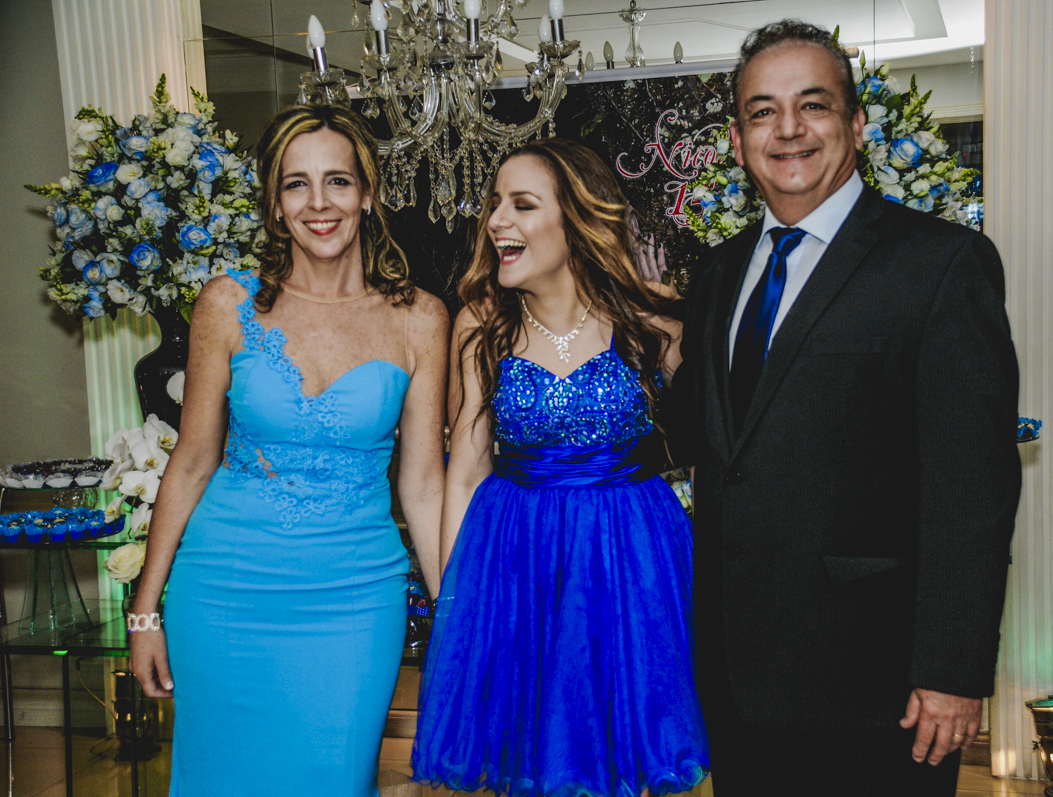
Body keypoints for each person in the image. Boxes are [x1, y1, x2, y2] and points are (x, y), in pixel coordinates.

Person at [669, 21, 1022, 796]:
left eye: (814, 104)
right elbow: (707, 437)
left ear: (857, 124)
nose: (788, 128)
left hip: (878, 686)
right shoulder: (719, 273)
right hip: (737, 679)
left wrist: (953, 670)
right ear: (739, 142)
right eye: (762, 111)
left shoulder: (940, 264)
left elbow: (973, 489)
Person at [127, 104, 448, 796]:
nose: (318, 203)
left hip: (355, 603)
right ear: (275, 204)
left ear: (368, 194)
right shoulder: (226, 304)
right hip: (224, 591)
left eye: (338, 181)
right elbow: (192, 461)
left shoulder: (420, 318)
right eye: (297, 184)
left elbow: (423, 486)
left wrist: (454, 611)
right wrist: (145, 609)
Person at [411, 138, 708, 797]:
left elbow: (713, 447)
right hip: (520, 558)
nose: (496, 221)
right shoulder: (481, 324)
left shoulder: (652, 319)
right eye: (495, 204)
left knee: (626, 752)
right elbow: (467, 469)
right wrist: (460, 599)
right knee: (534, 751)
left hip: (631, 560)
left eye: (521, 204)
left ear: (575, 218)